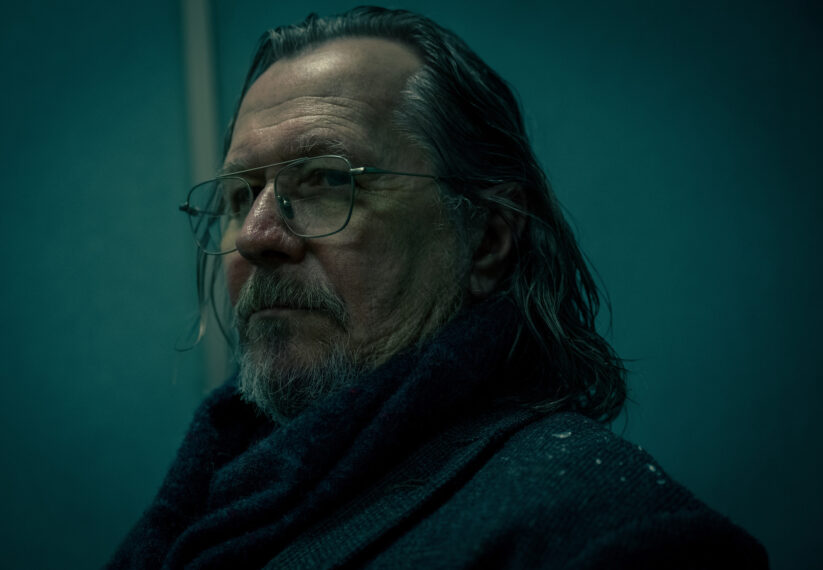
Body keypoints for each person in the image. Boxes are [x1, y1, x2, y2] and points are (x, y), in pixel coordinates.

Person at [108, 7, 767, 569]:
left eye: (326, 180)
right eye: (240, 194)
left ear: (487, 239)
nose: (255, 235)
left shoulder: (612, 536)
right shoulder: (209, 498)